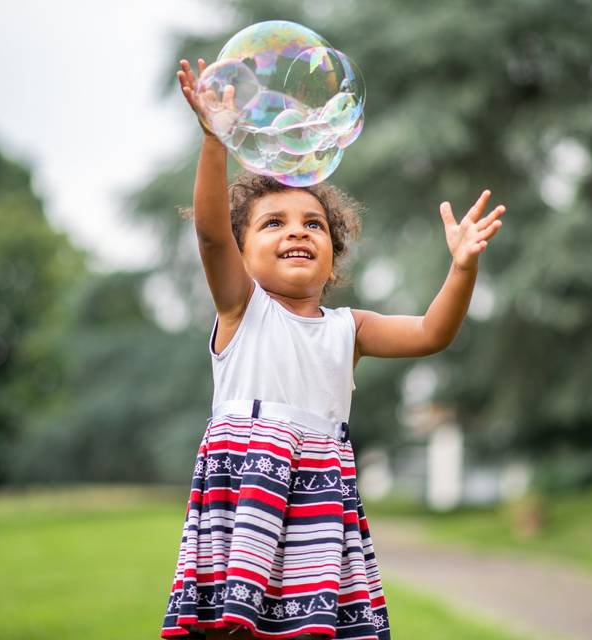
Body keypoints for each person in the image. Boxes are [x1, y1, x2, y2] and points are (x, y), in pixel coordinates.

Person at [161, 59, 505, 640]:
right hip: (248, 485)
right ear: (242, 256)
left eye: (313, 224)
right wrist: (214, 140)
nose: (297, 231)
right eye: (273, 223)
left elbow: (431, 332)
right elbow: (211, 230)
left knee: (313, 627)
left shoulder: (350, 328)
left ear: (334, 254)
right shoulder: (243, 309)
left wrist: (462, 267)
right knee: (234, 626)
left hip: (319, 493)